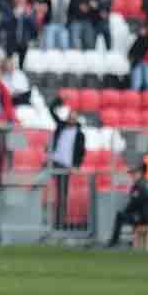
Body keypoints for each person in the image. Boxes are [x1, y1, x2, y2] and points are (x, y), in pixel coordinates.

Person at [47, 97, 86, 229]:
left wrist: (76, 166)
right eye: (69, 116)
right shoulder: (61, 126)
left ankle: (59, 222)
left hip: (65, 167)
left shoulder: (79, 134)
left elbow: (81, 152)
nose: (70, 118)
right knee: (40, 183)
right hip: (53, 162)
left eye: (73, 116)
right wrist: (59, 100)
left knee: (62, 195)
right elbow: (51, 110)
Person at [106, 163, 148, 247]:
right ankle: (135, 240)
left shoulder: (137, 185)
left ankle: (114, 241)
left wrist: (125, 212)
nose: (132, 176)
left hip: (147, 218)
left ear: (139, 173)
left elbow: (132, 204)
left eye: (133, 173)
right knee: (133, 215)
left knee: (120, 215)